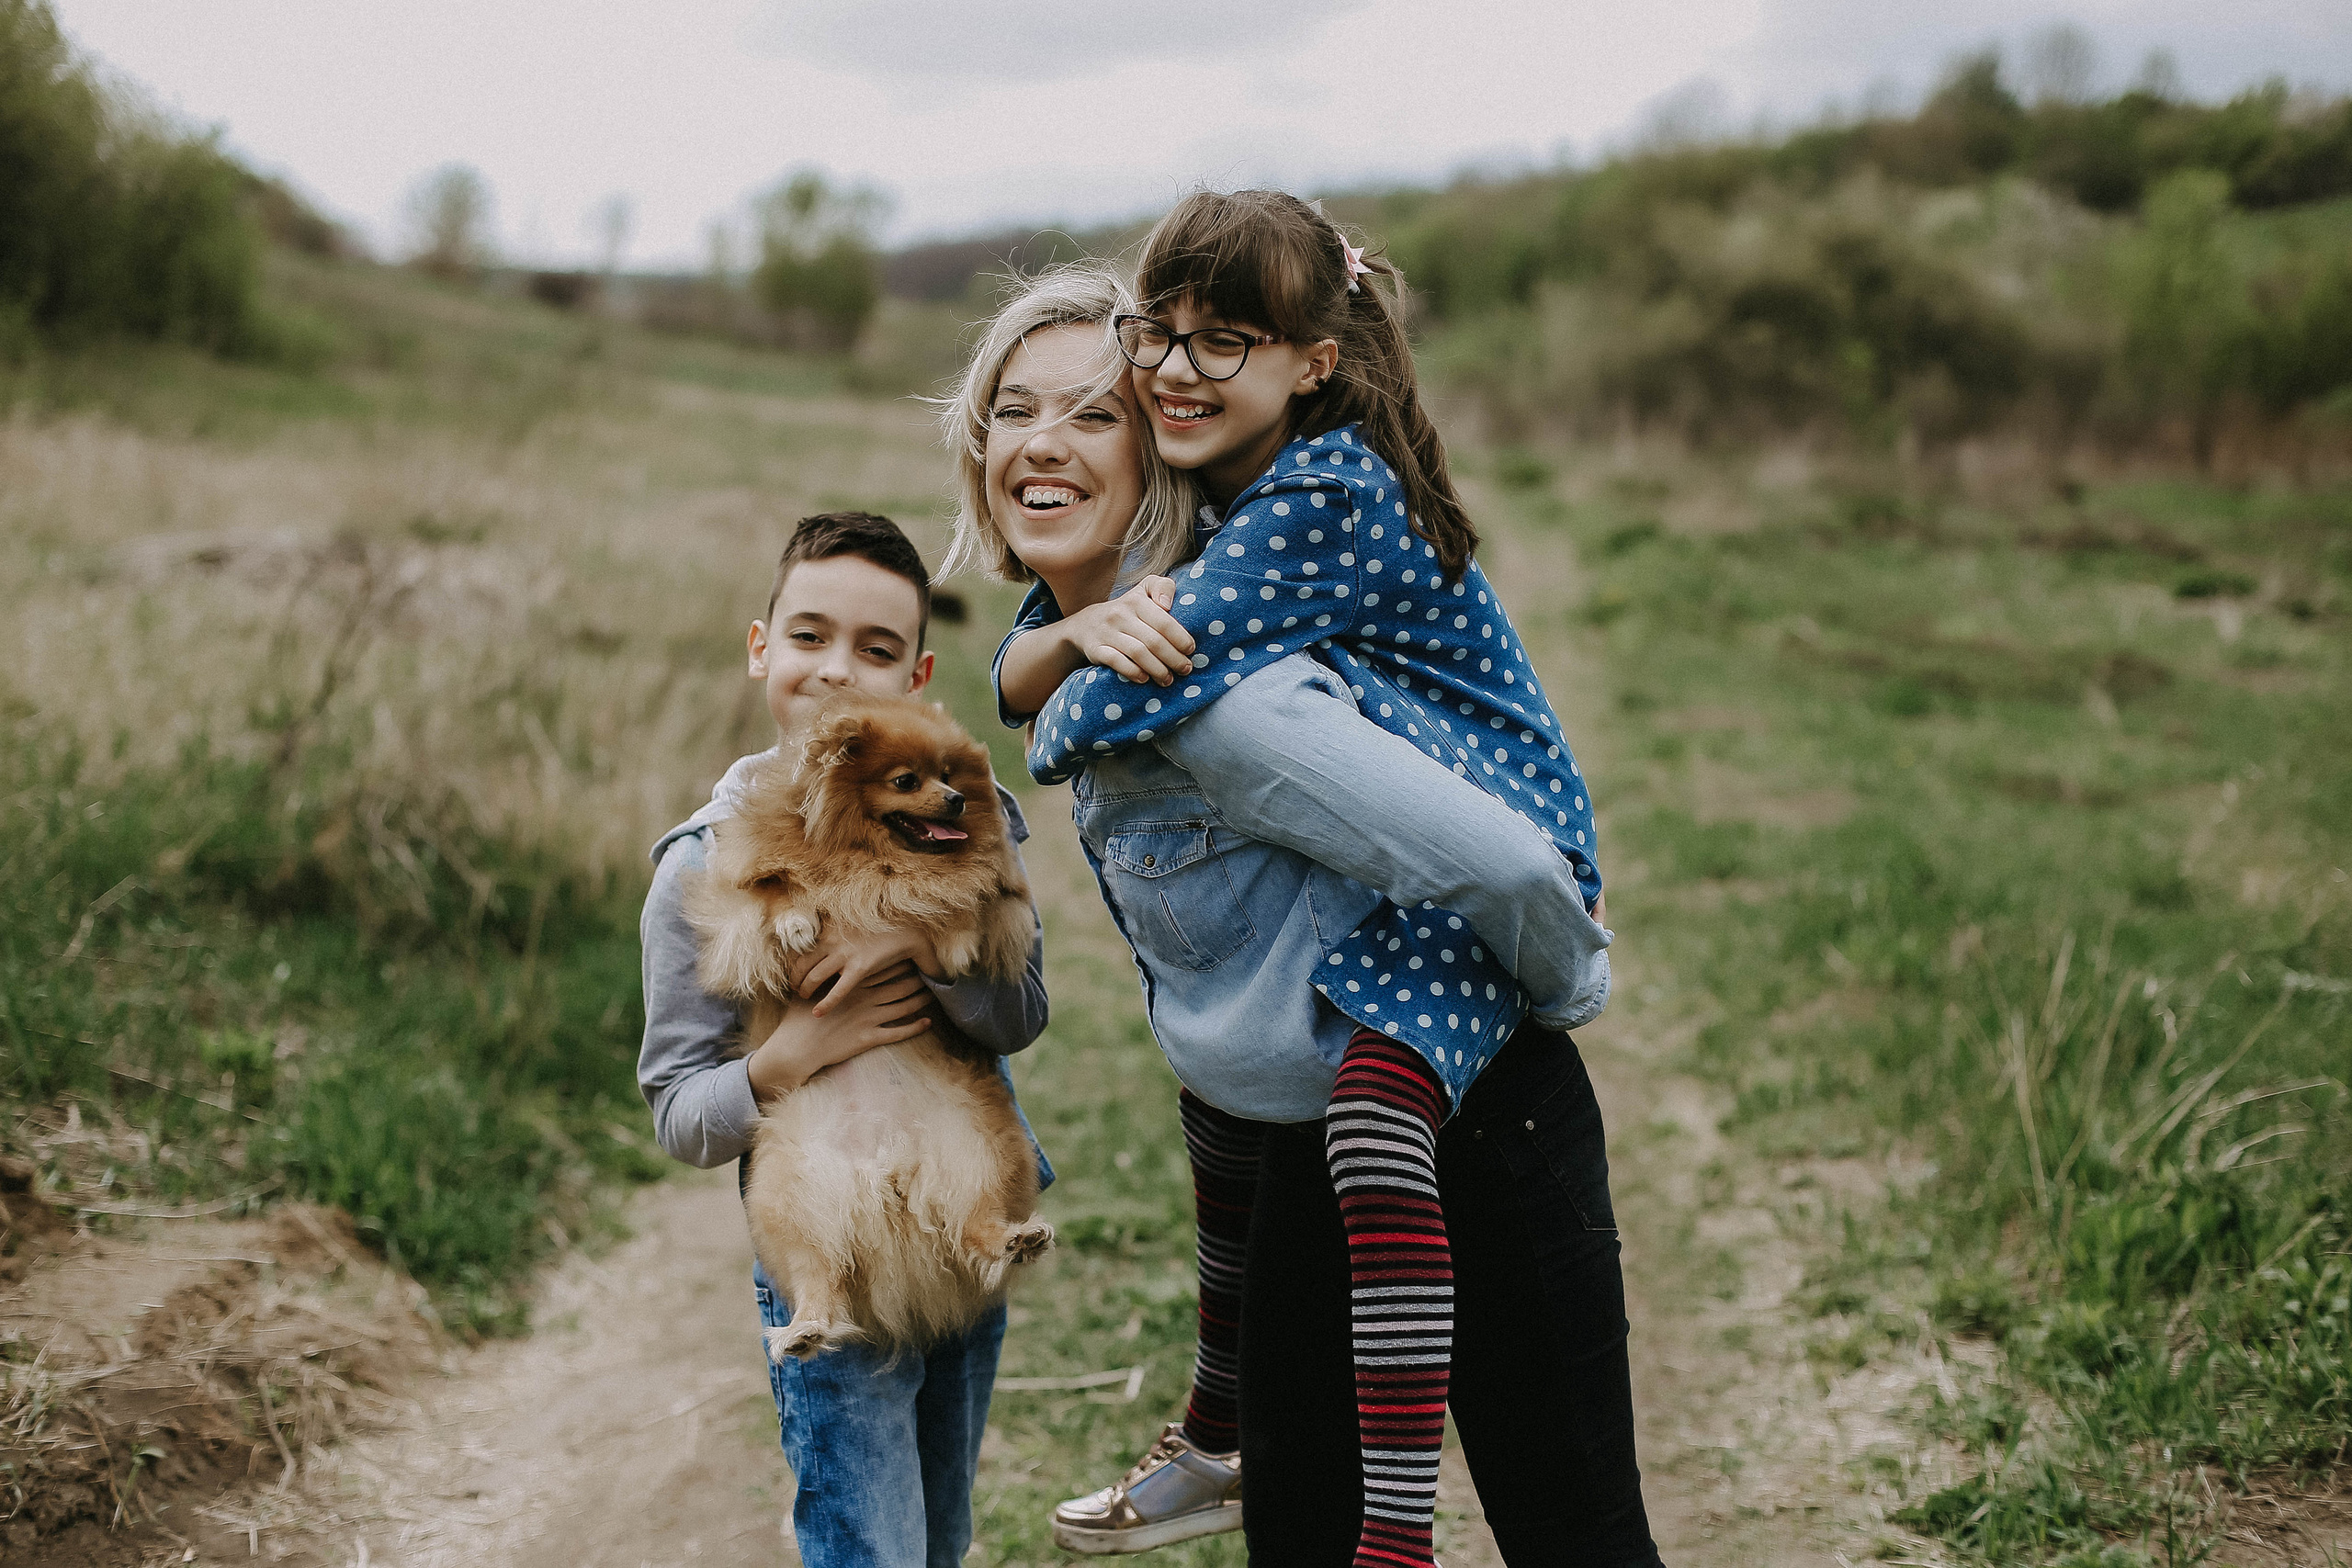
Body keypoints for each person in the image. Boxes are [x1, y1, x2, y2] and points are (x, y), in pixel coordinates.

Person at [948, 251, 1659, 1565]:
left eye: (1092, 413)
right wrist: (1057, 653)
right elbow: (1019, 675)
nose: (1039, 443)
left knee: (1575, 1542)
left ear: (1164, 444)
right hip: (1298, 1148)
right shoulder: (1096, 634)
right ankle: (1217, 1437)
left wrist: (1572, 974)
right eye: (1013, 408)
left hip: (1470, 1121)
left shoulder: (1233, 697)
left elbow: (1509, 870)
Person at [637, 511, 1051, 1568]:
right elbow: (679, 1114)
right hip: (831, 1244)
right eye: (809, 636)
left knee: (941, 1529)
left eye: (875, 649)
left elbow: (1019, 1015)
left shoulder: (962, 818)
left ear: (915, 677)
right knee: (871, 1541)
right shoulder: (698, 867)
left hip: (954, 1220)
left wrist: (918, 947)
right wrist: (789, 1058)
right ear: (760, 646)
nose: (835, 670)